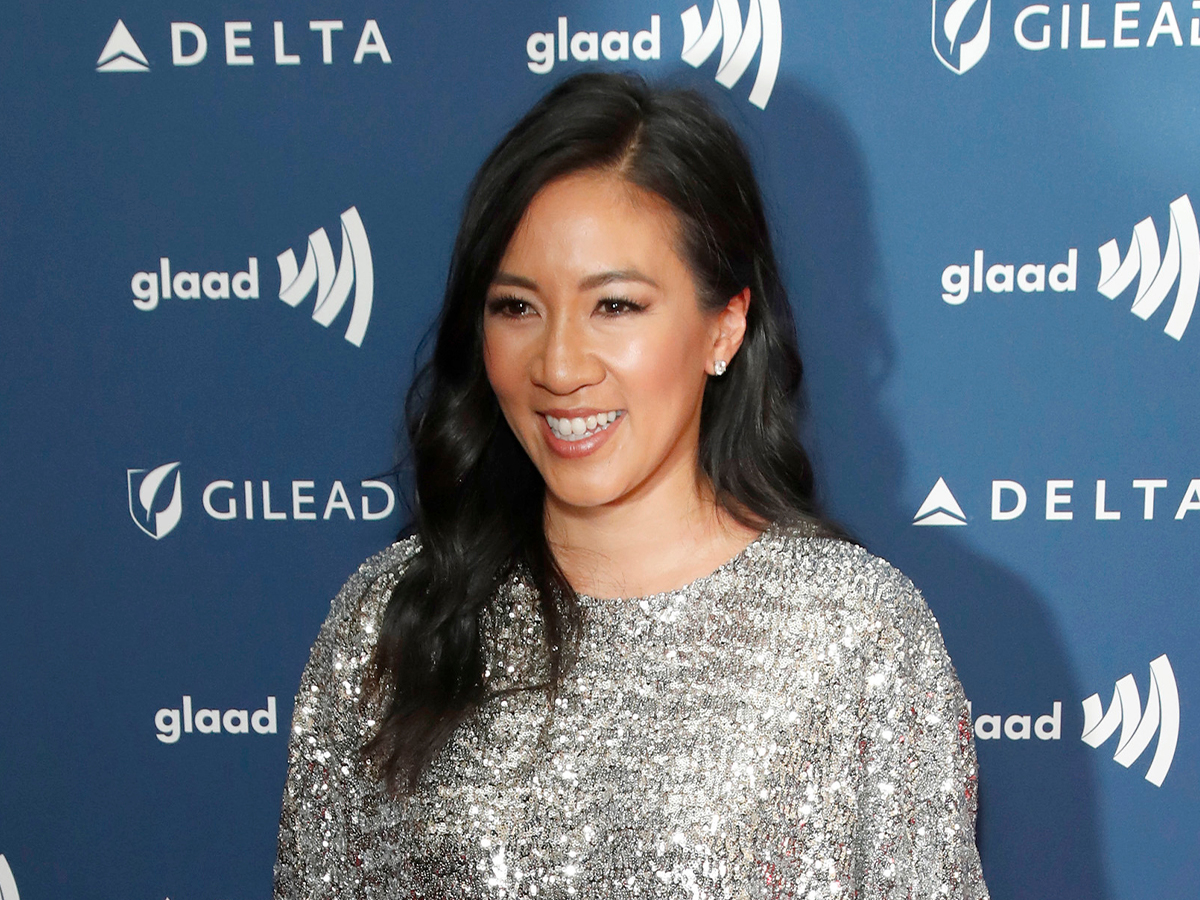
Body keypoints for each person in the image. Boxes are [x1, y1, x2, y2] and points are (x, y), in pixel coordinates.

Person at [273, 72, 989, 899]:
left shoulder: (855, 635)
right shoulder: (388, 620)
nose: (559, 366)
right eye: (516, 308)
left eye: (614, 306)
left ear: (725, 326)